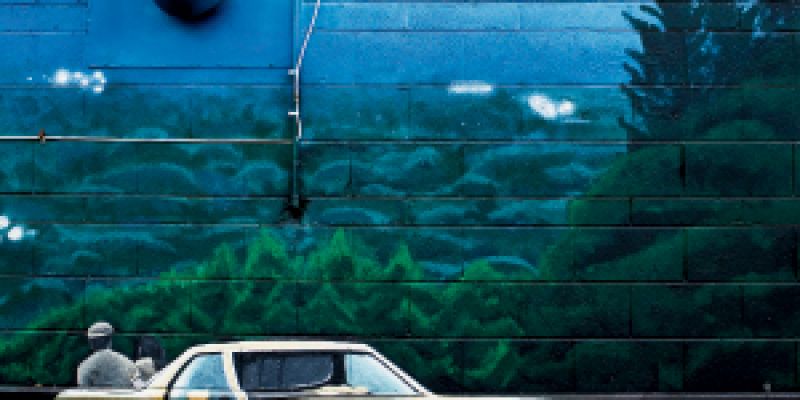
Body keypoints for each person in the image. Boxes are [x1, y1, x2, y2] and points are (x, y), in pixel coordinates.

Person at [77, 322, 137, 388]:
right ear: (110, 339)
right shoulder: (128, 363)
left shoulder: (84, 366)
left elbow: (83, 388)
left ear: (91, 342)